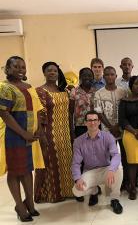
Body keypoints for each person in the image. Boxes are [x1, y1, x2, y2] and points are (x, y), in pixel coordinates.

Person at [0, 56, 44, 221]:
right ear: (8, 69)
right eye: (16, 67)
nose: (20, 70)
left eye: (23, 67)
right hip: (14, 136)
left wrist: (38, 129)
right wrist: (23, 133)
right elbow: (4, 113)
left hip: (30, 137)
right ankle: (19, 206)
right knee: (15, 171)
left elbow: (38, 110)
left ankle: (30, 204)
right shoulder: (4, 87)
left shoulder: (29, 87)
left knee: (27, 170)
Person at [34, 61, 74, 203]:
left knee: (66, 161)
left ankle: (68, 190)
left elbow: (69, 113)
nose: (52, 73)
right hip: (49, 133)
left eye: (55, 71)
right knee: (50, 163)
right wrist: (41, 135)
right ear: (44, 73)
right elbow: (38, 115)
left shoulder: (64, 90)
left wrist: (72, 132)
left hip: (65, 133)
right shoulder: (40, 91)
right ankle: (51, 194)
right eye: (49, 70)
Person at [71, 111, 123, 214]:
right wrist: (77, 179)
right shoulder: (78, 141)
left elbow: (116, 155)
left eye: (95, 120)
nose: (92, 123)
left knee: (119, 168)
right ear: (85, 123)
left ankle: (114, 199)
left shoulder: (108, 137)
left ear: (99, 122)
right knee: (77, 191)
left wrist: (111, 170)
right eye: (89, 120)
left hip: (106, 170)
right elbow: (76, 163)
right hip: (90, 171)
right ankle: (94, 191)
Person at [93, 66, 128, 191]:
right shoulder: (99, 93)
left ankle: (126, 182)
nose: (109, 77)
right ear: (104, 77)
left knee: (125, 156)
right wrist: (111, 127)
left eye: (112, 74)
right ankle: (111, 183)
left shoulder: (123, 92)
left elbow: (125, 111)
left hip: (122, 129)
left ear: (116, 76)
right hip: (106, 131)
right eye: (107, 75)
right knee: (109, 158)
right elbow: (98, 112)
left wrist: (118, 126)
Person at [69, 68, 97, 202]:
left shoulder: (96, 91)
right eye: (84, 75)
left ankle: (93, 191)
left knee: (93, 159)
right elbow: (70, 113)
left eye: (89, 75)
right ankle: (79, 188)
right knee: (79, 159)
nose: (87, 77)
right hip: (80, 128)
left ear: (93, 77)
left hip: (95, 128)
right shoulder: (74, 92)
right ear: (80, 77)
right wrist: (71, 130)